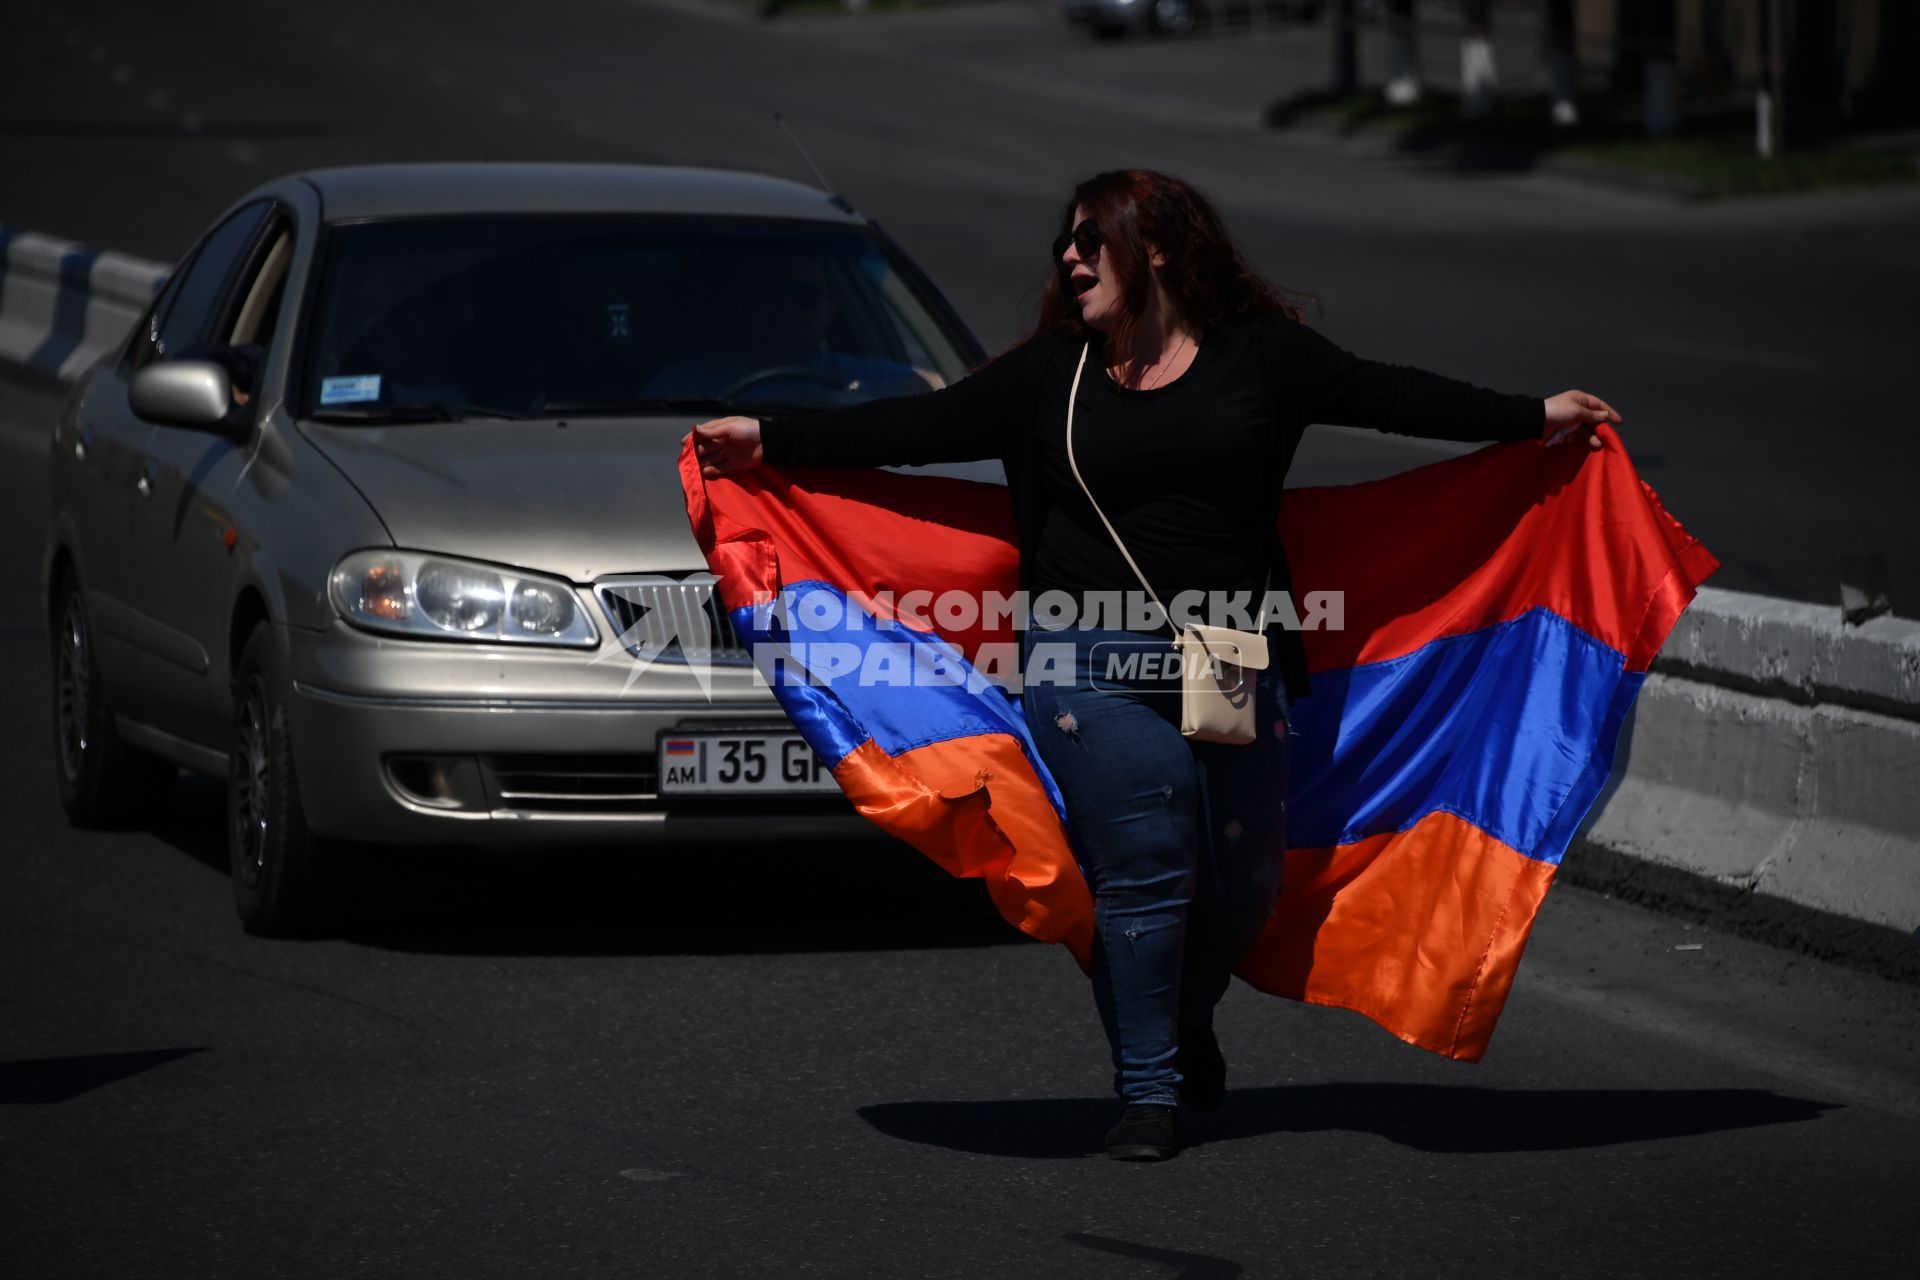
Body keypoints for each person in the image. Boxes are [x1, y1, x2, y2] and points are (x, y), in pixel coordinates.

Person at [691, 170, 1617, 1162]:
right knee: (1147, 867)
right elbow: (913, 429)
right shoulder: (1052, 373)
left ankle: (1180, 1015)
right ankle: (1147, 1089)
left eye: (1094, 238)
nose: (1070, 256)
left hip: (1230, 649)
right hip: (1083, 657)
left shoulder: (1264, 358)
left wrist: (1533, 415)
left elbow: (1391, 395)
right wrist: (774, 439)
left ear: (1161, 247)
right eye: (1066, 243)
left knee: (1243, 882)